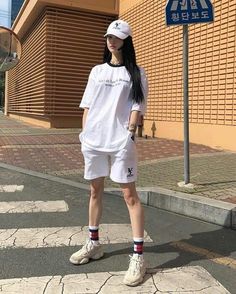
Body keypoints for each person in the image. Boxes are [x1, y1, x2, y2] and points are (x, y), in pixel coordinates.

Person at [70, 19, 148, 287]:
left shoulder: (137, 73)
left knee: (129, 195)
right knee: (94, 191)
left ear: (126, 40)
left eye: (116, 37)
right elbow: (87, 106)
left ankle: (138, 256)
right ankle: (94, 243)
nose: (111, 41)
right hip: (93, 141)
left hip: (120, 142)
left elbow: (137, 108)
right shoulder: (96, 71)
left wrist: (129, 135)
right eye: (108, 37)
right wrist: (84, 136)